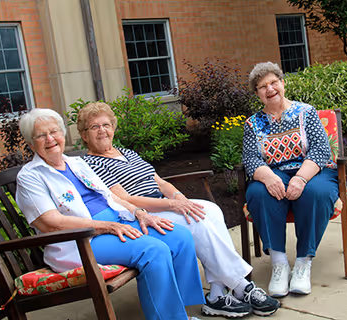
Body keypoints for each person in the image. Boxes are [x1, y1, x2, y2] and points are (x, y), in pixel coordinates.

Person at [77, 102, 281, 318]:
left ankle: (218, 293)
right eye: (94, 127)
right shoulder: (90, 164)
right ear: (84, 135)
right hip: (142, 217)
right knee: (197, 222)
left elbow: (160, 182)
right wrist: (171, 204)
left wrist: (179, 197)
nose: (102, 131)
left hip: (163, 204)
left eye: (106, 125)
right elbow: (124, 199)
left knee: (211, 210)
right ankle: (241, 286)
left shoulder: (127, 153)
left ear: (113, 127)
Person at [15, 108, 205, 320]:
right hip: (82, 240)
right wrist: (107, 227)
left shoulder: (77, 163)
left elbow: (110, 197)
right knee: (153, 250)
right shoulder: (30, 177)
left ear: (62, 134)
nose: (50, 139)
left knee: (179, 237)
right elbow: (51, 223)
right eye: (41, 135)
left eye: (54, 131)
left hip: (116, 224)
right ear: (31, 143)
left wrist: (139, 212)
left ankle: (178, 310)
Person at [242, 62, 339, 298]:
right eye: (262, 86)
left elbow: (320, 150)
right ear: (257, 94)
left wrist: (301, 179)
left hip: (312, 171)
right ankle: (279, 263)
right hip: (274, 173)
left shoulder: (306, 112)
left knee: (316, 193)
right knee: (258, 193)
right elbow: (250, 159)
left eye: (274, 82)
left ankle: (304, 262)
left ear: (282, 84)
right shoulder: (252, 124)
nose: (270, 89)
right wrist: (269, 178)